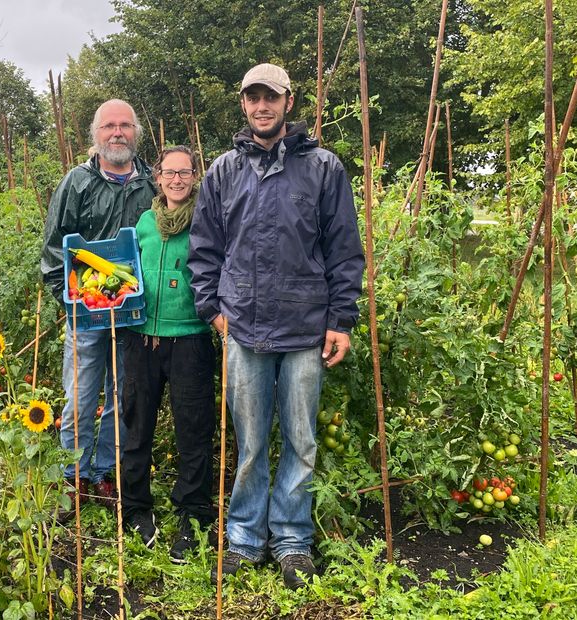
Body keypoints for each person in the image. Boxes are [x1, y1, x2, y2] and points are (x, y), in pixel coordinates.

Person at [188, 63, 365, 590]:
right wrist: (214, 311)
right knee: (249, 441)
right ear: (243, 105)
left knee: (301, 439)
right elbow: (204, 251)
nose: (261, 106)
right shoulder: (223, 171)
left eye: (271, 97)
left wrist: (341, 320)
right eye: (252, 98)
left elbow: (343, 250)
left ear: (289, 102)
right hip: (243, 327)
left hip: (306, 329)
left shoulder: (324, 169)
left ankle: (291, 539)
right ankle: (243, 536)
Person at [41, 99, 157, 510]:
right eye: (110, 126)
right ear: (96, 134)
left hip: (131, 311)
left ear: (136, 132)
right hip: (86, 313)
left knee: (121, 396)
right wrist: (72, 301)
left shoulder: (152, 183)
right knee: (80, 395)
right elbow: (56, 250)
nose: (118, 133)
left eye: (125, 125)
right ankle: (73, 475)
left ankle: (105, 471)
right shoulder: (77, 182)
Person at [120, 146, 217, 561]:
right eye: (169, 173)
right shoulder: (143, 222)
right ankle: (137, 509)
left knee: (193, 430)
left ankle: (193, 516)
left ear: (196, 176)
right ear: (156, 177)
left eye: (185, 172)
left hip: (191, 338)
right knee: (136, 425)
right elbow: (125, 270)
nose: (177, 180)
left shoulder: (209, 220)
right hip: (141, 338)